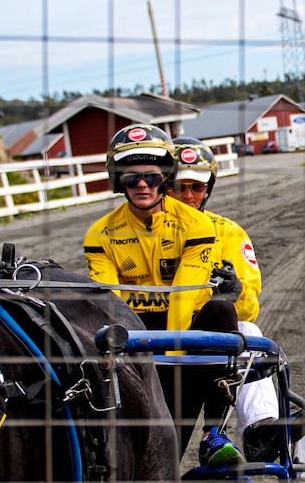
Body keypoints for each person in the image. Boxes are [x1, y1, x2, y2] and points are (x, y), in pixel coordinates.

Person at [83, 124, 244, 463]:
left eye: (152, 178)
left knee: (220, 312)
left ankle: (213, 433)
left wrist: (166, 362)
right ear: (118, 181)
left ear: (165, 178)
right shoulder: (100, 234)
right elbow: (110, 302)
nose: (142, 185)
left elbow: (185, 298)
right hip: (134, 331)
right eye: (131, 178)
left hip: (179, 332)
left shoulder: (197, 226)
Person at [168, 136, 284, 463]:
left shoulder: (229, 233)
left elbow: (250, 305)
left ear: (209, 189)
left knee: (249, 331)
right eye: (180, 186)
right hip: (161, 336)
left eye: (197, 187)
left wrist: (235, 290)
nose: (189, 196)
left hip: (210, 337)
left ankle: (260, 428)